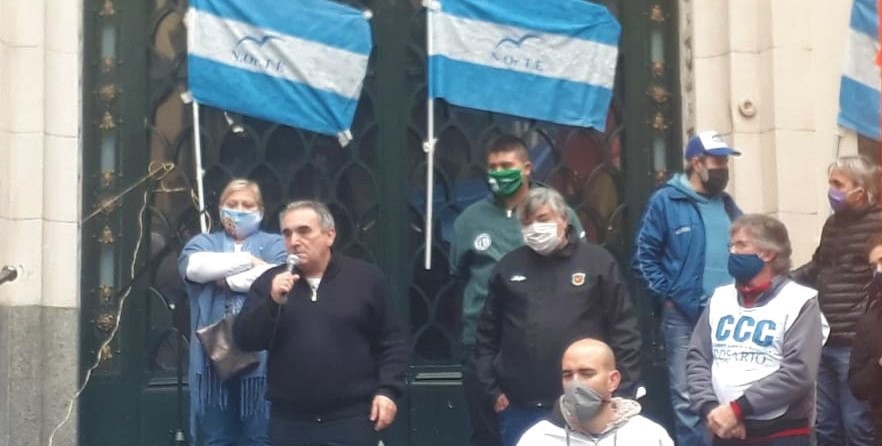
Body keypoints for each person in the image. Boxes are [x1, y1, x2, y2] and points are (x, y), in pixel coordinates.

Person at [233, 200, 409, 446]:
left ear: (329, 235)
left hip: (352, 419)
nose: (294, 241)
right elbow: (245, 339)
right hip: (291, 423)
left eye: (304, 231)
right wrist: (272, 303)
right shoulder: (270, 282)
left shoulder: (365, 279)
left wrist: (388, 391)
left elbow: (392, 343)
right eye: (287, 233)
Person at [475, 187, 641, 446]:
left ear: (563, 219)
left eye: (543, 219)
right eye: (527, 222)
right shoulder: (508, 267)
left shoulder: (597, 262)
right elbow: (486, 336)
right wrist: (492, 391)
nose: (535, 228)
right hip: (520, 407)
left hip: (588, 406)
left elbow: (624, 330)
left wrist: (623, 391)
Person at [451, 134, 584, 446]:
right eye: (493, 167)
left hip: (542, 346)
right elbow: (459, 276)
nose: (499, 173)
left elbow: (580, 264)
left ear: (526, 168)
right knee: (487, 434)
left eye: (506, 166)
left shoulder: (553, 211)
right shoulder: (470, 220)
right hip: (482, 346)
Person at [632, 130, 742, 446]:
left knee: (728, 393)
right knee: (688, 398)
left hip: (727, 314)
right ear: (696, 162)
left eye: (725, 161)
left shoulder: (728, 205)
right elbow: (642, 256)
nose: (723, 168)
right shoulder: (666, 201)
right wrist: (667, 297)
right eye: (718, 161)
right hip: (682, 317)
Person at [687, 214, 824, 445]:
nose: (733, 252)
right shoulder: (720, 298)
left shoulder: (800, 301)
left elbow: (799, 371)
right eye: (732, 245)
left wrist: (738, 409)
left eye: (741, 245)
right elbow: (697, 358)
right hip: (724, 430)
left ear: (768, 253)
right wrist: (711, 409)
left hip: (780, 433)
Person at [178, 178, 287, 445]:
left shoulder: (275, 243)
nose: (239, 209)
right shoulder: (204, 242)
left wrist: (224, 278)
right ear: (220, 208)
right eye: (232, 204)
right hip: (211, 356)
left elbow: (279, 277)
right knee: (216, 437)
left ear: (260, 210)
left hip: (264, 358)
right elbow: (194, 268)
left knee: (259, 436)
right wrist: (249, 261)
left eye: (247, 204)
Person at [791, 155, 881, 445]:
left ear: (860, 189)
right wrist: (781, 279)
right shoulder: (832, 224)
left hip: (857, 342)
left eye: (838, 184)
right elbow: (818, 267)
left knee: (857, 424)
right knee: (825, 425)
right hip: (825, 336)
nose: (832, 190)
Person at [516, 338, 673, 446]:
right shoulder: (537, 439)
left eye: (587, 373)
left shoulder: (649, 435)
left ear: (613, 380)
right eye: (568, 375)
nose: (575, 384)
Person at [848, 237, 882, 439]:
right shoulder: (870, 321)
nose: (878, 270)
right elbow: (857, 385)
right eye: (873, 265)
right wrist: (878, 365)